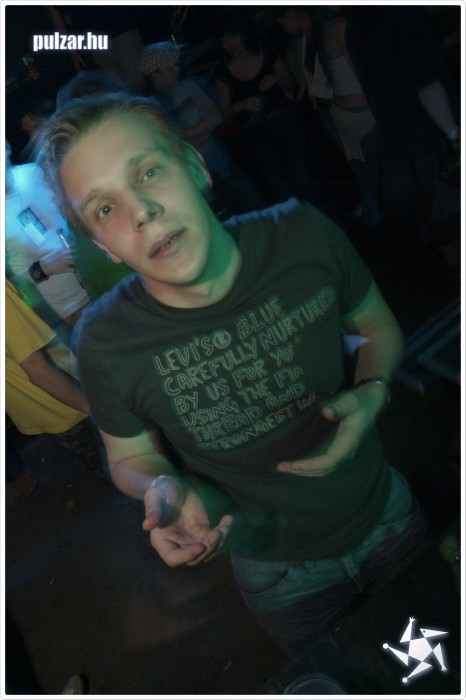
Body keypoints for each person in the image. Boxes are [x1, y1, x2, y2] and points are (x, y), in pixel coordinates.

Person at [35, 93, 430, 658]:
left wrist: (373, 391)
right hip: (279, 574)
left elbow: (375, 326)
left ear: (195, 165)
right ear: (104, 247)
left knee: (434, 669)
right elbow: (128, 456)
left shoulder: (303, 233)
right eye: (104, 209)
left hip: (386, 515)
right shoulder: (105, 341)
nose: (139, 212)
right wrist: (160, 486)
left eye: (148, 171)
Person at [137, 40, 266, 216]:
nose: (176, 68)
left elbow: (216, 117)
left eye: (175, 64)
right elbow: (169, 144)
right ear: (155, 74)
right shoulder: (150, 107)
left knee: (256, 211)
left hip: (223, 167)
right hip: (195, 182)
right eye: (169, 67)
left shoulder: (189, 86)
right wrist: (201, 133)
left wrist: (185, 136)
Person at [5, 279, 104, 474]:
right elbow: (36, 369)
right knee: (137, 467)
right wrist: (97, 409)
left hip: (40, 404)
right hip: (67, 399)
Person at [5, 141, 90, 330]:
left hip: (94, 285)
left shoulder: (34, 173)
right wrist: (44, 268)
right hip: (58, 315)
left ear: (6, 146)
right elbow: (8, 291)